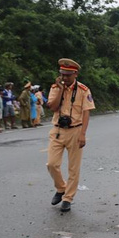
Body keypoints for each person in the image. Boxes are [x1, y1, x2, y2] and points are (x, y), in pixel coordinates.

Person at [46, 58, 95, 212]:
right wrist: (60, 89)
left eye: (68, 75)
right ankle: (61, 188)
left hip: (75, 130)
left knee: (74, 168)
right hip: (58, 131)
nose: (65, 78)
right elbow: (52, 107)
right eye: (62, 74)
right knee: (52, 164)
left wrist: (83, 134)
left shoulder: (83, 90)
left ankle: (68, 198)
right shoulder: (55, 87)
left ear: (75, 74)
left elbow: (86, 113)